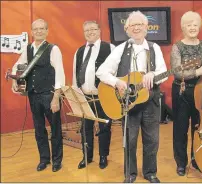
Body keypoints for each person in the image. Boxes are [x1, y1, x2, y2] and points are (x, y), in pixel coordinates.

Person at [96, 11, 167, 183]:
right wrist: (117, 83)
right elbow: (101, 72)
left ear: (146, 28)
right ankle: (130, 173)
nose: (136, 28)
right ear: (127, 29)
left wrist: (152, 73)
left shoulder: (154, 48)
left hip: (151, 102)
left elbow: (163, 74)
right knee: (130, 141)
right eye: (132, 25)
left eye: (140, 24)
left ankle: (150, 172)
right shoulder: (120, 49)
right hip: (128, 103)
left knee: (152, 140)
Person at [11, 19, 65, 172]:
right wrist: (15, 79)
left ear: (47, 31)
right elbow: (17, 66)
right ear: (32, 32)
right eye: (36, 29)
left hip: (50, 95)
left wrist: (56, 97)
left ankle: (56, 161)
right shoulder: (28, 49)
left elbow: (60, 74)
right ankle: (44, 159)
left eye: (42, 29)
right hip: (33, 95)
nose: (39, 31)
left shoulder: (53, 49)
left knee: (55, 129)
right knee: (39, 129)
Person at [170, 11, 202, 176]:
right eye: (189, 25)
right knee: (181, 129)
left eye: (195, 25)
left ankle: (196, 160)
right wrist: (198, 71)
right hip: (182, 92)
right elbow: (176, 72)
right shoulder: (177, 47)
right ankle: (181, 163)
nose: (192, 28)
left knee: (198, 128)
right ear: (183, 27)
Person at [72, 21, 115, 170]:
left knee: (104, 127)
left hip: (104, 96)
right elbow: (75, 74)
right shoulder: (79, 51)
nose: (90, 32)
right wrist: (77, 95)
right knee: (86, 128)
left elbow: (116, 73)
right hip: (85, 96)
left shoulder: (110, 48)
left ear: (99, 30)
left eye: (93, 29)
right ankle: (87, 156)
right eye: (87, 30)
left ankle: (103, 156)